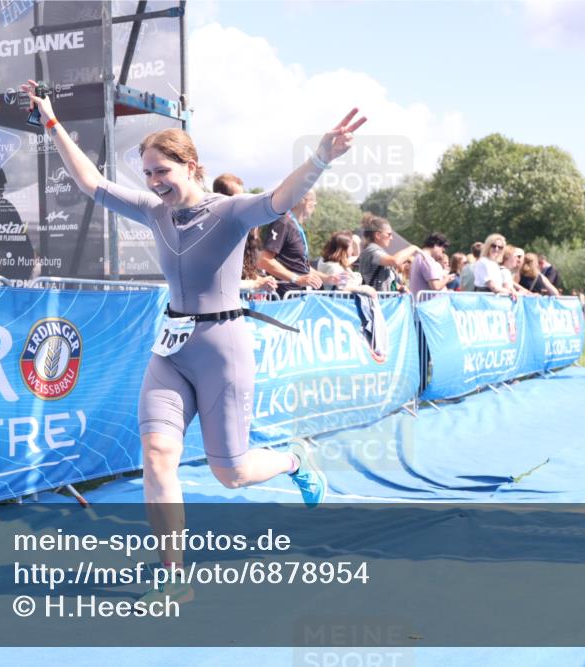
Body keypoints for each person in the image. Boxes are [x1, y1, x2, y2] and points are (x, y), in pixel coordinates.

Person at [23, 78, 366, 600]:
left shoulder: (230, 212)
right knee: (158, 453)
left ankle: (293, 460)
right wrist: (51, 121)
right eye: (148, 173)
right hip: (171, 350)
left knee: (230, 473)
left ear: (192, 167)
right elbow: (91, 182)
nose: (155, 181)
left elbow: (280, 197)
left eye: (163, 170)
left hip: (223, 349)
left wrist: (321, 157)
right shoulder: (152, 210)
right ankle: (173, 572)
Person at [257, 190, 330, 297]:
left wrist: (328, 278)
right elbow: (264, 260)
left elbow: (300, 268)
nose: (314, 208)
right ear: (306, 201)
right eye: (314, 204)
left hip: (296, 299)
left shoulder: (294, 225)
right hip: (283, 299)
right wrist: (297, 279)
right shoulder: (283, 222)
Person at [212, 174, 276, 294]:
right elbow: (219, 281)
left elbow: (240, 274)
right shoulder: (213, 233)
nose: (242, 204)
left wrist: (261, 281)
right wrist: (256, 283)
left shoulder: (240, 230)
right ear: (220, 197)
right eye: (237, 199)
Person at [357, 213, 420, 292]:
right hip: (376, 302)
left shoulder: (376, 251)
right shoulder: (372, 251)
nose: (391, 238)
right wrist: (413, 248)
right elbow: (395, 261)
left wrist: (399, 287)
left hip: (383, 301)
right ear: (378, 235)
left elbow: (384, 279)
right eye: (389, 234)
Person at [316, 230, 375, 296]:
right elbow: (343, 288)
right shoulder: (334, 267)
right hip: (339, 304)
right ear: (344, 249)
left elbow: (356, 256)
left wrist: (356, 244)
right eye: (351, 246)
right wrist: (364, 289)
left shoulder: (326, 261)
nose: (352, 249)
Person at [472, 233, 517, 297]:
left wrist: (512, 291)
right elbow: (494, 288)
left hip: (493, 300)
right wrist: (510, 292)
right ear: (488, 246)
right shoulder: (483, 262)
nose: (496, 249)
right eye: (493, 246)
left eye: (500, 247)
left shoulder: (494, 264)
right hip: (484, 299)